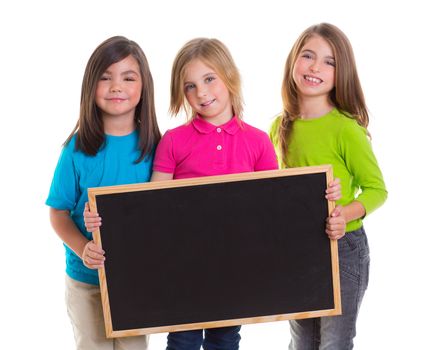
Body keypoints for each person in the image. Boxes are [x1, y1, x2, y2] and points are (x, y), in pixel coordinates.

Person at [84, 37, 343, 350]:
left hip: (234, 268)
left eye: (209, 79)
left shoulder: (258, 141)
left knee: (225, 338)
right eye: (190, 86)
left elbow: (275, 209)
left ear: (229, 77)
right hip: (182, 268)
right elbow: (152, 204)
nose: (201, 93)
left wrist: (320, 197)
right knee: (183, 339)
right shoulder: (174, 141)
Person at [269, 23, 388, 349]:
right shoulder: (279, 127)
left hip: (343, 250)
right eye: (308, 56)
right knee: (302, 342)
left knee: (334, 342)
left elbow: (377, 189)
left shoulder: (345, 128)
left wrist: (343, 212)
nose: (315, 67)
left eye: (328, 61)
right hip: (298, 249)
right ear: (293, 61)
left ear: (341, 73)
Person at [46, 36, 161, 350]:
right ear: (90, 86)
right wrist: (83, 247)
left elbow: (162, 210)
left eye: (128, 77)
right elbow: (57, 212)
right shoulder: (77, 149)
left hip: (135, 279)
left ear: (143, 87)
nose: (116, 86)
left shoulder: (156, 149)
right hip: (86, 282)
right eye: (105, 77)